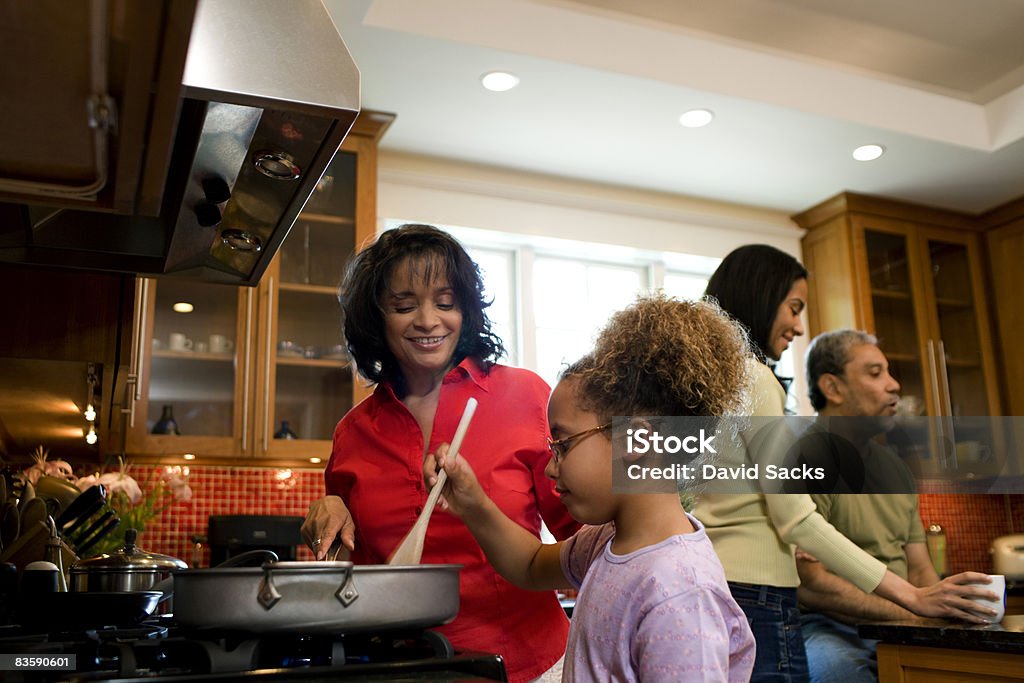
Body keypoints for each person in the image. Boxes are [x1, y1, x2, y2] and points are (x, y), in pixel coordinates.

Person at [691, 244, 993, 683]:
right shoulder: (756, 379)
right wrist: (912, 598)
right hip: (760, 594)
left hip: (726, 586)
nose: (798, 325)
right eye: (793, 308)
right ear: (759, 295)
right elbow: (796, 520)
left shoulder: (714, 383)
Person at [299, 224, 578, 683]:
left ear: (466, 310)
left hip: (527, 665)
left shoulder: (525, 396)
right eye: (404, 305)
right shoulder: (353, 432)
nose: (428, 320)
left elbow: (586, 534)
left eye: (445, 303)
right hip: (400, 667)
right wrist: (330, 511)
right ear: (376, 318)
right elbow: (356, 571)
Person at [427, 293, 757, 682]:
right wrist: (474, 504)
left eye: (563, 445)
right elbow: (531, 565)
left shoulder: (681, 592)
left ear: (635, 442)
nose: (550, 468)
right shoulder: (605, 543)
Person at [795, 329, 999, 683]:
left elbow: (920, 569)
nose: (894, 386)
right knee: (839, 673)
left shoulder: (896, 469)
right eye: (875, 373)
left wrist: (935, 609)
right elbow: (813, 585)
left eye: (889, 372)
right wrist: (915, 614)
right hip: (830, 627)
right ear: (833, 388)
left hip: (903, 620)